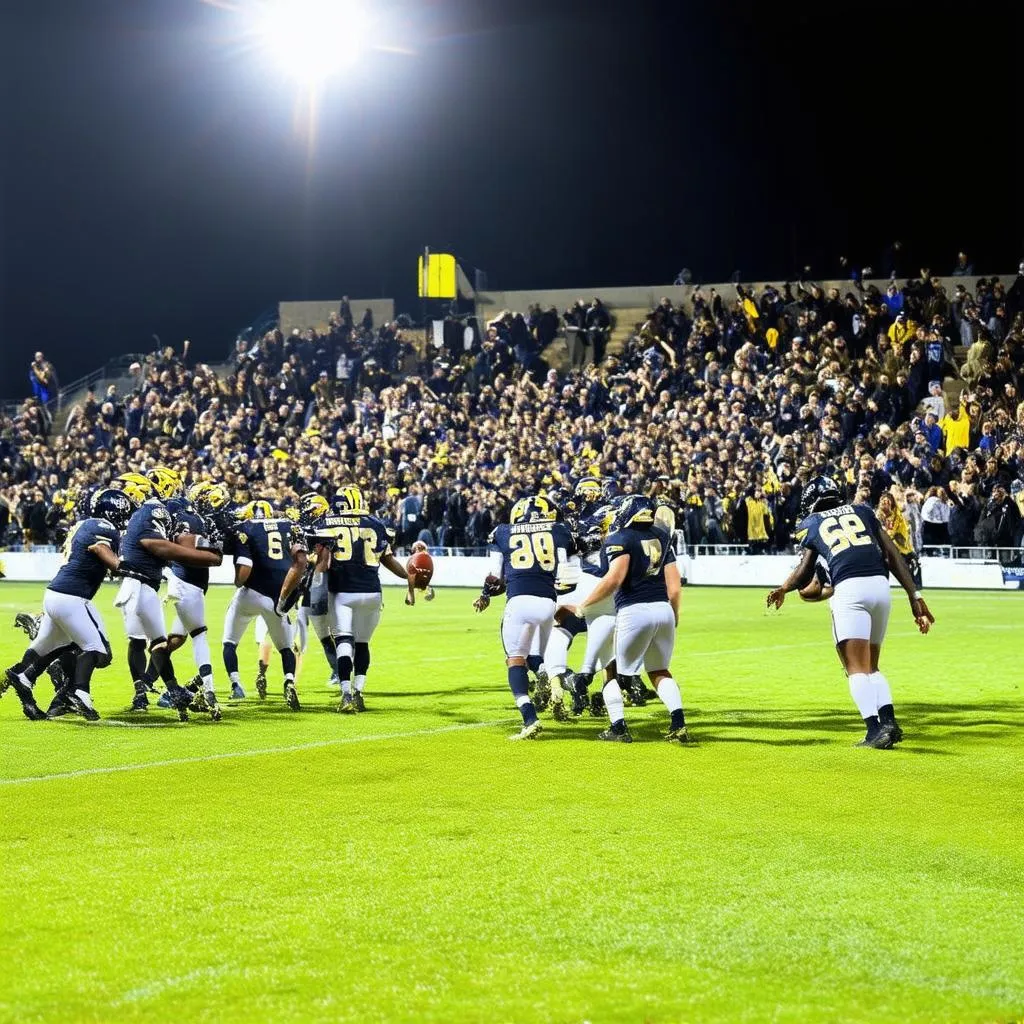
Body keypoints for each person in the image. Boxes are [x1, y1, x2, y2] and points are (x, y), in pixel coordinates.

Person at [766, 476, 934, 749]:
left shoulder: (812, 523)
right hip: (881, 587)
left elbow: (805, 572)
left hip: (850, 589)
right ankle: (889, 722)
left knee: (855, 667)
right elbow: (892, 554)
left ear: (813, 503)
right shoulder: (864, 511)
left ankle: (873, 730)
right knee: (873, 665)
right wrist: (914, 595)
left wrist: (783, 588)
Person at [2, 488, 134, 721]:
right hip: (72, 597)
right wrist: (124, 567)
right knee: (96, 649)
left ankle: (23, 676)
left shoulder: (85, 524)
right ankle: (79, 693)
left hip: (56, 594)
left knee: (49, 646)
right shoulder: (104, 527)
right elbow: (100, 549)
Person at [566, 494, 687, 744]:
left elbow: (614, 579)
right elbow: (674, 587)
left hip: (634, 610)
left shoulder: (620, 538)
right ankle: (678, 724)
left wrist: (585, 604)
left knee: (610, 669)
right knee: (659, 671)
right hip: (662, 609)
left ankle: (618, 727)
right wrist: (673, 614)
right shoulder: (662, 537)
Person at [116, 468, 222, 718]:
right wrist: (207, 555)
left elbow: (176, 540)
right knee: (108, 648)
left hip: (147, 584)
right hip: (139, 583)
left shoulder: (155, 511)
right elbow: (162, 546)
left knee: (156, 643)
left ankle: (165, 691)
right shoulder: (152, 511)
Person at [308, 485, 418, 713]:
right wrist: (408, 577)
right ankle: (359, 691)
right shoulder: (376, 524)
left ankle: (346, 693)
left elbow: (323, 563)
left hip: (342, 593)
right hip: (372, 593)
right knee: (362, 644)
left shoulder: (327, 524)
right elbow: (388, 560)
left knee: (344, 642)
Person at [474, 494, 573, 740]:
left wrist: (485, 595)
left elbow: (495, 575)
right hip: (549, 602)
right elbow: (566, 571)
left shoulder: (504, 532)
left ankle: (530, 718)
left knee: (515, 659)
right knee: (532, 653)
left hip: (519, 601)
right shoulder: (558, 530)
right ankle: (545, 675)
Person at [223, 500, 306, 709]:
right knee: (286, 647)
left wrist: (238, 583)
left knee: (230, 642)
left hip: (251, 593)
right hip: (279, 597)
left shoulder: (246, 528)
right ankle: (289, 681)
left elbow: (245, 568)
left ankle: (236, 685)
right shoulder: (289, 525)